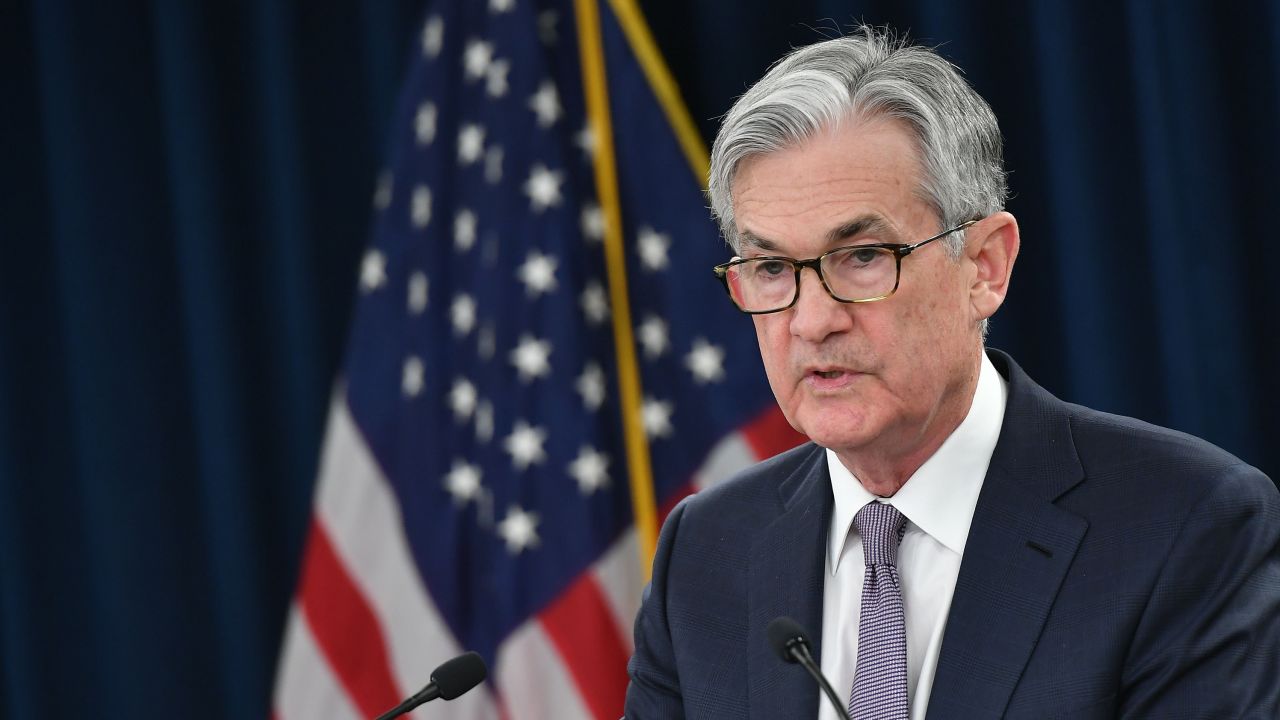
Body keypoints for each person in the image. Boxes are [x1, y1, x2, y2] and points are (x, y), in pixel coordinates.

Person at [623, 26, 1280, 720]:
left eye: (863, 256)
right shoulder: (704, 553)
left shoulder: (1182, 525)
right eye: (772, 269)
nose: (811, 321)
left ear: (985, 267)